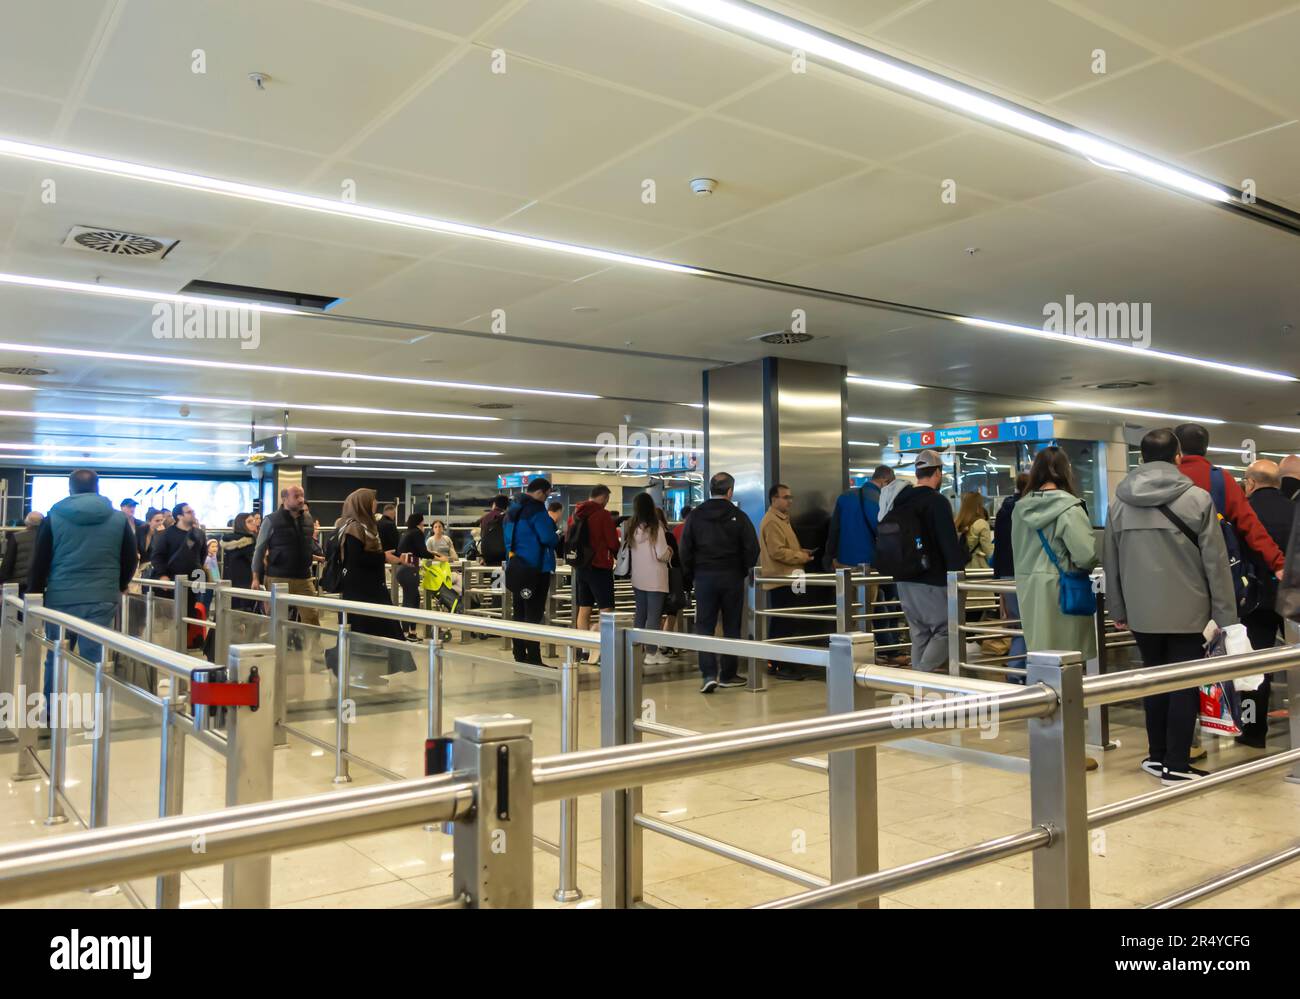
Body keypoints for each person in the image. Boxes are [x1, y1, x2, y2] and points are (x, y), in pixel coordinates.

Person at [1104, 428, 1236, 786]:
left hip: (1141, 614)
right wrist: (1226, 616)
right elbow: (1216, 563)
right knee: (1184, 685)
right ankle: (1176, 765)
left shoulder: (1118, 503)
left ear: (1141, 458)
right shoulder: (1198, 499)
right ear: (1178, 457)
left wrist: (1118, 609)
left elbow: (1110, 562)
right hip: (1188, 612)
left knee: (1154, 681)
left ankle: (1157, 755)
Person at [1010, 448, 1101, 772]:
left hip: (1031, 593)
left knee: (1042, 673)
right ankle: (1070, 752)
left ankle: (1045, 747)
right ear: (1066, 473)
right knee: (1068, 673)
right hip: (1063, 595)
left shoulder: (1019, 509)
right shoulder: (1069, 507)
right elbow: (1086, 554)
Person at [26, 469, 138, 701]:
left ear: (70, 489)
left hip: (61, 598)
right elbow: (129, 557)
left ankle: (52, 711)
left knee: (56, 655)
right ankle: (98, 712)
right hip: (102, 596)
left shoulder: (54, 517)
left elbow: (40, 560)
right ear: (97, 488)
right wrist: (119, 584)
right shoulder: (118, 519)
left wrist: (34, 594)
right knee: (97, 656)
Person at [883, 451, 965, 672]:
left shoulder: (897, 500)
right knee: (947, 630)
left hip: (903, 577)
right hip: (932, 578)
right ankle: (922, 675)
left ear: (917, 473)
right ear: (938, 472)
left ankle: (916, 689)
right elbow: (948, 542)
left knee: (919, 633)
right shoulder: (936, 502)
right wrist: (958, 575)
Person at [679, 471, 759, 694]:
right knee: (732, 625)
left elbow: (685, 549)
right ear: (730, 491)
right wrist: (741, 570)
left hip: (704, 577)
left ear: (709, 490)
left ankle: (708, 674)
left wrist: (691, 575)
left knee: (704, 625)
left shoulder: (695, 516)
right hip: (732, 577)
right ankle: (728, 673)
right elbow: (752, 548)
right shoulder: (739, 516)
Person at [1173, 424, 1284, 580]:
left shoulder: (1164, 478)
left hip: (1170, 565)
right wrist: (1277, 563)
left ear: (1176, 447)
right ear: (1205, 448)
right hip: (1213, 568)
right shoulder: (1220, 479)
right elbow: (1250, 525)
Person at [1237, 460, 1296, 746]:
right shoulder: (1294, 509)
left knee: (1254, 666)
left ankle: (1254, 731)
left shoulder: (1245, 512)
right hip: (1294, 599)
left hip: (1255, 603)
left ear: (1250, 483)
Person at [327, 488, 415, 677]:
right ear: (362, 503)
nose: (375, 503)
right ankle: (347, 663)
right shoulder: (354, 528)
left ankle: (364, 667)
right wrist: (383, 557)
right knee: (371, 626)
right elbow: (356, 559)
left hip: (369, 587)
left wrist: (385, 557)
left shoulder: (364, 526)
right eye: (373, 500)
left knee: (372, 627)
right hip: (362, 589)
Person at [760, 482, 815, 680]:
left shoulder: (783, 520)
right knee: (783, 622)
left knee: (788, 621)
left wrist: (801, 552)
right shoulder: (773, 521)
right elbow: (777, 552)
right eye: (785, 497)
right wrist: (800, 557)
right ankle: (779, 664)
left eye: (790, 497)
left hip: (791, 578)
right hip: (782, 580)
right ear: (774, 499)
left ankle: (782, 662)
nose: (789, 501)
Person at [251, 485, 321, 636]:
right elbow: (260, 549)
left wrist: (316, 557)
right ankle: (275, 652)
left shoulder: (308, 519)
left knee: (312, 617)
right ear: (284, 499)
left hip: (304, 577)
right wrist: (255, 577)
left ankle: (315, 655)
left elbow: (306, 546)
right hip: (278, 577)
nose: (301, 499)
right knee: (277, 619)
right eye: (296, 496)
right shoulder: (271, 520)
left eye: (302, 495)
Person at [504, 477, 558, 666]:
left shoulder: (512, 510)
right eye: (547, 495)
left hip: (516, 567)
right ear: (541, 492)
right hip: (536, 569)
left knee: (519, 612)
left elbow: (508, 538)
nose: (546, 499)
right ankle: (534, 658)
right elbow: (548, 537)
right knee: (533, 614)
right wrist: (555, 535)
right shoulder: (536, 509)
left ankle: (519, 653)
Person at [567, 485, 619, 664]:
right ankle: (603, 650)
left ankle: (584, 650)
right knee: (606, 609)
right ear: (604, 497)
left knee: (584, 608)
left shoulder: (575, 514)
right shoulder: (603, 515)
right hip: (599, 566)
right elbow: (612, 541)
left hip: (581, 566)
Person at [626, 492, 673, 665]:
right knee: (654, 616)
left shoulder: (632, 527)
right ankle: (652, 653)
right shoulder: (656, 527)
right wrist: (670, 552)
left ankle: (636, 649)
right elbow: (661, 554)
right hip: (655, 578)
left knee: (640, 614)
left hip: (638, 578)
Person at [992, 473, 1029, 671]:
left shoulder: (1002, 511)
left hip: (1005, 574)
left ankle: (1015, 669)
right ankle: (1020, 670)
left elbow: (998, 547)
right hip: (1024, 573)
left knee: (1016, 626)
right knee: (1029, 625)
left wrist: (996, 583)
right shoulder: (1027, 510)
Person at [826, 465, 890, 570]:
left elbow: (834, 530)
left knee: (845, 586)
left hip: (843, 561)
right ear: (885, 482)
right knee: (869, 586)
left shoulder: (844, 497)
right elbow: (884, 534)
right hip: (869, 564)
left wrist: (830, 557)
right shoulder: (881, 501)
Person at [395, 512, 430, 634]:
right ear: (419, 522)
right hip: (410, 569)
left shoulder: (407, 533)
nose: (424, 524)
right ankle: (406, 632)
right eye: (423, 521)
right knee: (411, 601)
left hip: (403, 570)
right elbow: (423, 552)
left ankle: (411, 632)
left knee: (412, 599)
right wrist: (437, 556)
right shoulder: (417, 533)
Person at [221, 512, 260, 611]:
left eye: (254, 520)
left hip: (228, 582)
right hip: (245, 583)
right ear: (241, 524)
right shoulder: (250, 543)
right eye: (249, 521)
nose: (254, 523)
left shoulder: (227, 541)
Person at [1, 511, 42, 592]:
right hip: (39, 582)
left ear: (26, 522)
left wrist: (2, 579)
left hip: (17, 583)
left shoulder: (16, 537)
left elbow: (8, 562)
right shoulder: (47, 538)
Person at [954, 492, 993, 570]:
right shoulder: (981, 523)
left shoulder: (956, 523)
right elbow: (989, 551)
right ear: (978, 506)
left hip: (961, 566)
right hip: (977, 567)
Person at [478, 495, 509, 567]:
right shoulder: (508, 517)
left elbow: (483, 535)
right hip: (504, 555)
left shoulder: (485, 517)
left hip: (487, 556)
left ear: (494, 504)